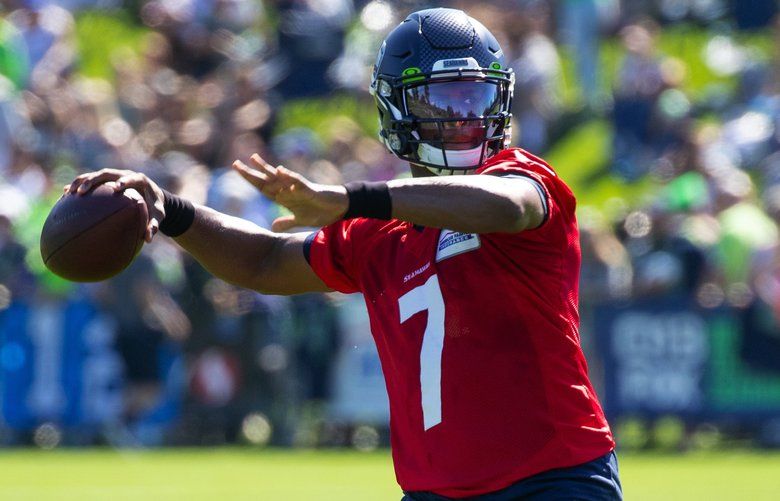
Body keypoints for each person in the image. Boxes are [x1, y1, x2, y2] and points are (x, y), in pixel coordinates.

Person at [66, 8, 621, 500]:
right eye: (445, 100)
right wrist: (172, 209)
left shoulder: (517, 176)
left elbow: (508, 208)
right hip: (435, 491)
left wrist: (354, 198)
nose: (464, 117)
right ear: (397, 112)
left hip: (552, 477)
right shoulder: (378, 236)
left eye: (476, 97)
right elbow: (263, 261)